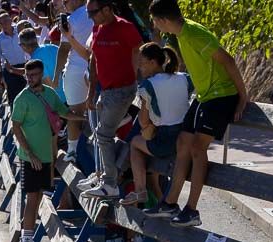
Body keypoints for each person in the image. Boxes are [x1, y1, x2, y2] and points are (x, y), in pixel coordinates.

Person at [145, 0, 248, 228]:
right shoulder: (182, 34)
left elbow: (228, 60)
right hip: (204, 96)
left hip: (221, 96)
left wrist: (242, 96)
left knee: (197, 149)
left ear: (163, 20)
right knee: (183, 142)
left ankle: (192, 210)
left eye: (155, 21)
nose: (155, 26)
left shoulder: (194, 33)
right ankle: (170, 203)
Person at [75, 0, 141, 201]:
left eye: (92, 12)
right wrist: (91, 92)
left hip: (123, 89)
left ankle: (110, 184)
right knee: (100, 134)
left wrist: (138, 82)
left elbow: (139, 52)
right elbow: (93, 59)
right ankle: (101, 175)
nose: (90, 17)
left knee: (103, 134)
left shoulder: (125, 27)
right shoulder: (97, 28)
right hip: (106, 91)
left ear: (106, 9)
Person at [11, 58, 74, 242]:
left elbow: (65, 114)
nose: (31, 78)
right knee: (32, 199)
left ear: (41, 74)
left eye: (34, 75)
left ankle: (27, 240)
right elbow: (16, 128)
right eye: (28, 75)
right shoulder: (22, 98)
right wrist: (30, 154)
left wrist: (89, 117)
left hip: (47, 156)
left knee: (37, 198)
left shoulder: (50, 94)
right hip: (32, 158)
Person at [122, 42, 192, 207]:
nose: (140, 70)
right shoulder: (184, 78)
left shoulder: (148, 85)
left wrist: (148, 128)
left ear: (153, 62)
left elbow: (143, 121)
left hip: (166, 142)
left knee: (135, 143)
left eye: (142, 65)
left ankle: (140, 190)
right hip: (185, 139)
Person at [55, 0, 93, 161]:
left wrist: (56, 75)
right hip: (94, 67)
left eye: (66, 1)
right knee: (91, 111)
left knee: (74, 112)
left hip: (76, 70)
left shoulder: (71, 20)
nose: (64, 4)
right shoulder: (95, 13)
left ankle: (72, 151)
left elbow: (64, 49)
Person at [0, 12, 26, 106]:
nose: (5, 24)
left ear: (11, 20)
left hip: (25, 66)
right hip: (9, 70)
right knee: (13, 96)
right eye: (1, 23)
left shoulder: (20, 32)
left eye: (6, 21)